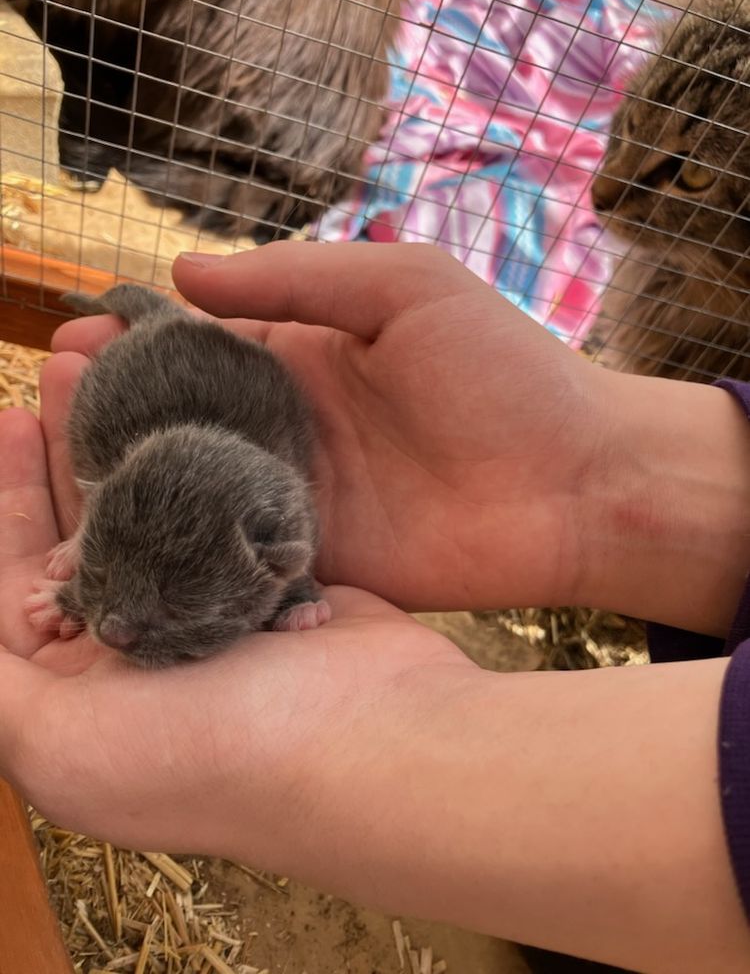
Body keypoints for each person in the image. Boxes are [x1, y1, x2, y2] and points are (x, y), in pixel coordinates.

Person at [0, 243, 748, 972]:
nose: (114, 632)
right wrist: (81, 573)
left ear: (279, 565)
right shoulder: (157, 475)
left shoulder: (269, 537)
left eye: (161, 606)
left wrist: (345, 716)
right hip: (154, 408)